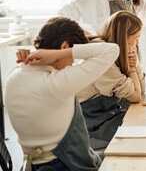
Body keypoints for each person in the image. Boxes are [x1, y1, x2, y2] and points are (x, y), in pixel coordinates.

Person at [5, 17, 119, 171]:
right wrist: (58, 54)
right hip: (67, 165)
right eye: (72, 56)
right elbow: (112, 50)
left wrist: (38, 53)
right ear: (65, 46)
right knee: (127, 158)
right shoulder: (57, 83)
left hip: (33, 165)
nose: (72, 63)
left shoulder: (12, 74)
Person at [76, 11, 145, 149]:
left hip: (105, 114)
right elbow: (136, 96)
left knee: (142, 124)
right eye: (136, 38)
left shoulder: (118, 50)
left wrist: (136, 65)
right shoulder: (101, 57)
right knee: (139, 136)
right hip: (90, 123)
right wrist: (132, 68)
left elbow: (141, 90)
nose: (138, 42)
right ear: (124, 38)